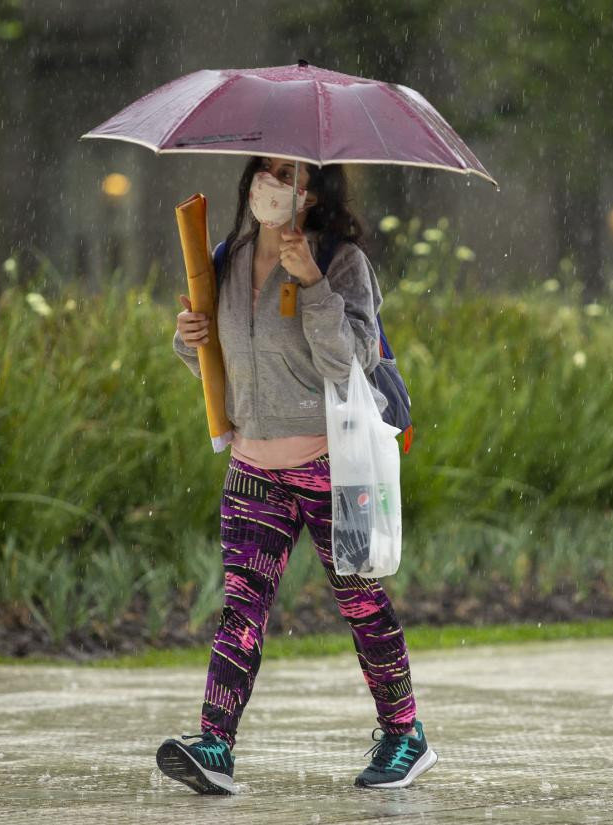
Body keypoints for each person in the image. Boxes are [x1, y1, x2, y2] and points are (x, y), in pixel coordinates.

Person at [158, 156, 436, 794]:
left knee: (361, 604)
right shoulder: (224, 258)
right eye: (269, 170)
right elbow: (234, 373)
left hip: (333, 467)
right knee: (240, 610)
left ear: (314, 193)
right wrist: (190, 338)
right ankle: (215, 745)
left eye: (293, 174)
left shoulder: (342, 263)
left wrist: (312, 282)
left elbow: (349, 364)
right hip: (253, 465)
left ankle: (405, 733)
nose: (276, 184)